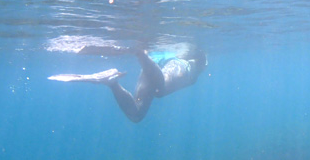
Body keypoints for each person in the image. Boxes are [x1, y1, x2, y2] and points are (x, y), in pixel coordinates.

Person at [48, 44, 207, 123]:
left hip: (154, 64)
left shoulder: (193, 71)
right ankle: (140, 53)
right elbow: (201, 59)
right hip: (168, 64)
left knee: (136, 115)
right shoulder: (194, 67)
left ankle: (112, 82)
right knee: (162, 87)